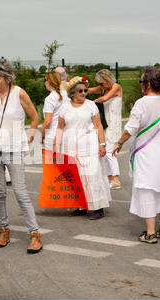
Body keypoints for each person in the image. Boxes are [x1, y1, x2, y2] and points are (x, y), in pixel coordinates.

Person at [0, 58, 43, 253]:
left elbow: (34, 117)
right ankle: (3, 229)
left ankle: (34, 233)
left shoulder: (19, 93)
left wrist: (31, 136)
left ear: (7, 77)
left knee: (21, 192)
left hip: (14, 148)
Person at [113, 67, 160, 244]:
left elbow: (131, 128)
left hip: (146, 154)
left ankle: (150, 232)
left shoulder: (141, 103)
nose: (141, 84)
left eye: (142, 81)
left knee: (147, 190)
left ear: (148, 84)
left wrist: (119, 143)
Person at [54, 76, 111, 220]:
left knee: (91, 175)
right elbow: (60, 128)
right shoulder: (64, 107)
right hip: (70, 146)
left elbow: (98, 126)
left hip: (89, 145)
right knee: (75, 176)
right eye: (81, 91)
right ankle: (79, 206)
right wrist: (56, 147)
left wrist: (102, 144)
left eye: (86, 90)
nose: (84, 93)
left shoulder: (91, 105)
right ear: (73, 92)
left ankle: (97, 208)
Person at [88, 69, 123, 189]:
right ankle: (109, 178)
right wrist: (77, 88)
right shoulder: (103, 88)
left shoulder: (116, 87)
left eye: (102, 83)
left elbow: (104, 98)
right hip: (105, 123)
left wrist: (90, 103)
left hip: (113, 123)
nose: (100, 86)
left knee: (109, 150)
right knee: (104, 150)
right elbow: (89, 90)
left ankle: (116, 179)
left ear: (107, 80)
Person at [41, 71, 68, 151]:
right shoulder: (66, 94)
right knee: (65, 162)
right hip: (65, 134)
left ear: (49, 82)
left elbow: (48, 122)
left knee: (51, 163)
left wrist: (42, 135)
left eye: (45, 80)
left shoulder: (49, 99)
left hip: (52, 136)